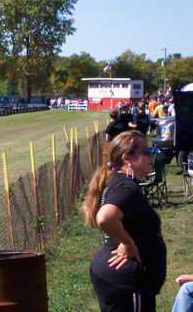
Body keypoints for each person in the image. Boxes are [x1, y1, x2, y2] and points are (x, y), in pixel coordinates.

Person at [81, 130, 167, 312]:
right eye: (146, 151)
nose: (152, 155)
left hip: (121, 279)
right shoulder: (126, 186)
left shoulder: (121, 183)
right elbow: (105, 217)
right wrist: (127, 243)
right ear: (127, 158)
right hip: (127, 281)